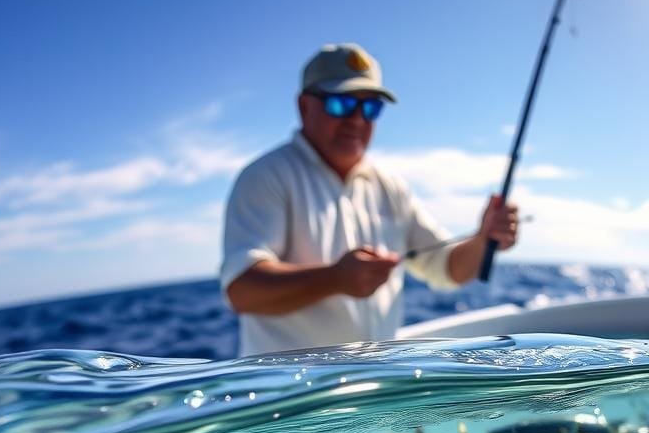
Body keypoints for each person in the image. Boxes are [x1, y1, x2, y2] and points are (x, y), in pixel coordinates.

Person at [220, 42, 519, 356]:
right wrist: (334, 279)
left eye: (370, 107)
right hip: (289, 398)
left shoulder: (391, 187)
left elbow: (447, 269)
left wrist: (485, 239)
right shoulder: (266, 177)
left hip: (374, 389)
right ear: (304, 106)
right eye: (341, 104)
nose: (357, 119)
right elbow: (242, 290)